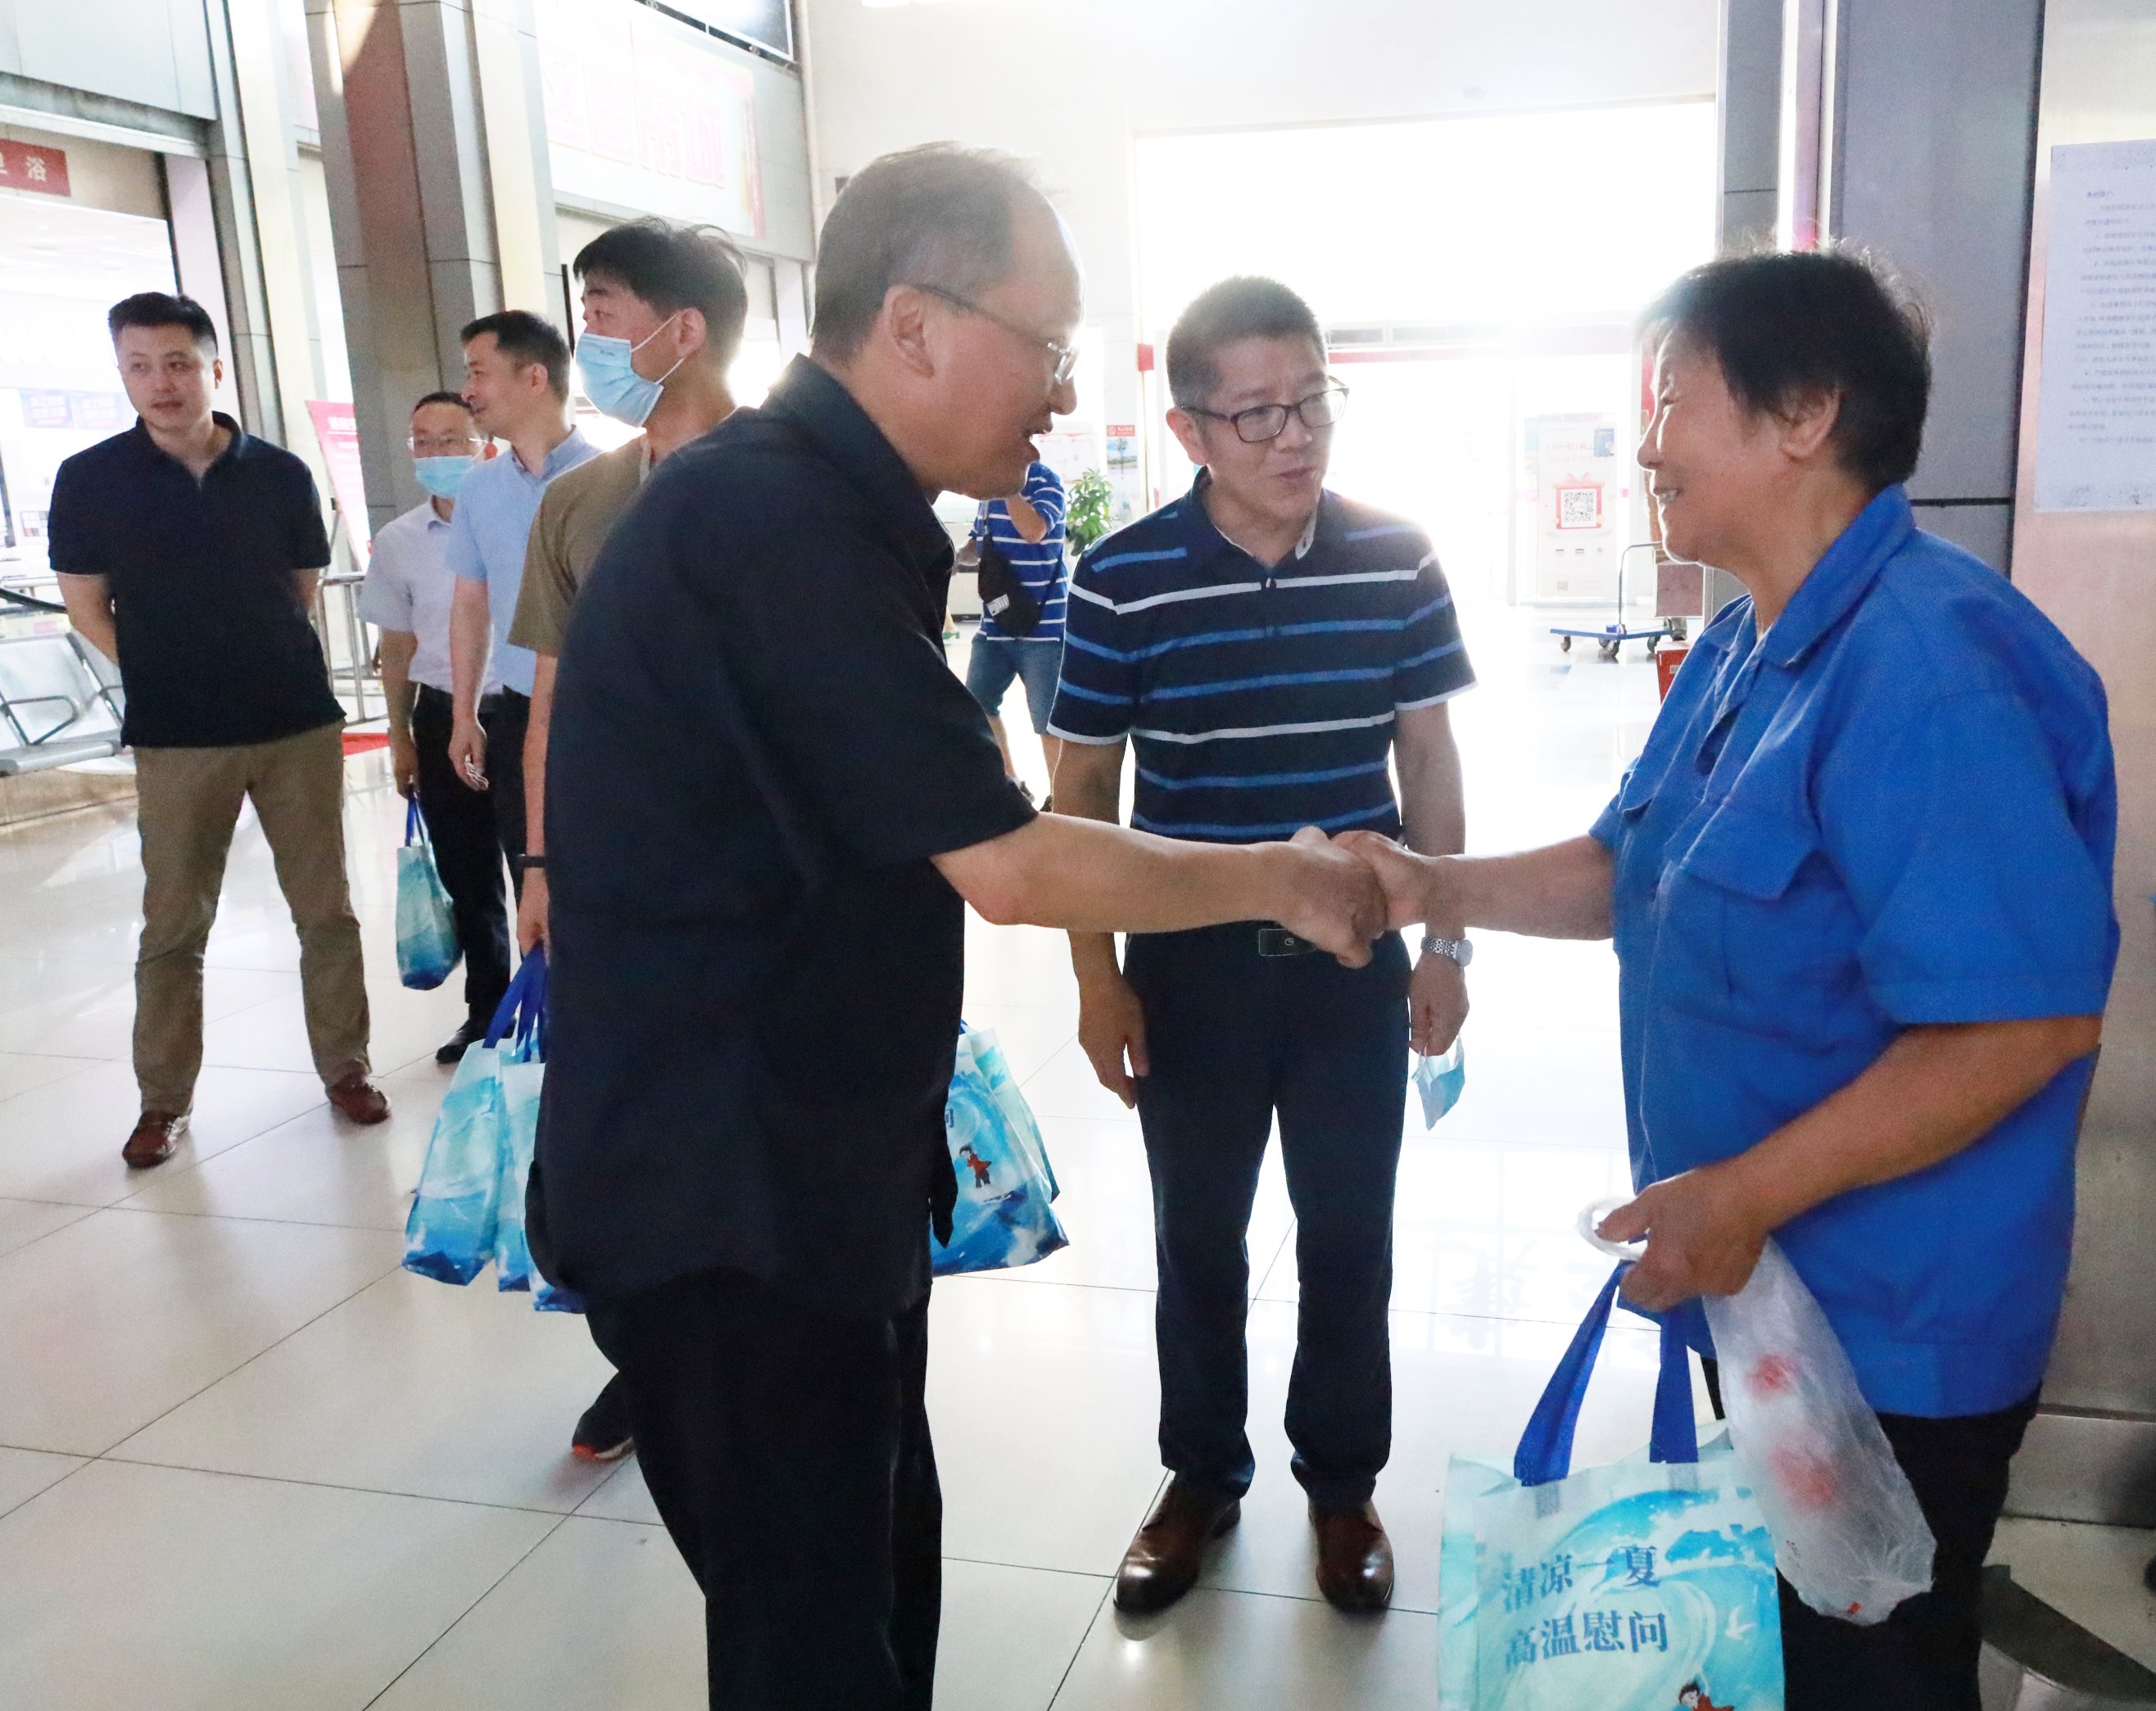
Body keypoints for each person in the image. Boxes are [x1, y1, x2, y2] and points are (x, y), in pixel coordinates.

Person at [526, 144, 1390, 1709]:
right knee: (813, 1641)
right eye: (1047, 344)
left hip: (810, 1177)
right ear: (916, 326)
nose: (1060, 394)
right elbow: (1005, 856)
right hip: (728, 1205)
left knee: (871, 1581)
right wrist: (1276, 872)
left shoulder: (832, 510)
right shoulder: (770, 523)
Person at [1339, 251, 2118, 1710]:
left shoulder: (1927, 669)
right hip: (1767, 1292)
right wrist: (1432, 887)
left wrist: (1745, 1192)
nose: (1644, 446)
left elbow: (2021, 1021)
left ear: (1806, 413)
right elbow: (1624, 866)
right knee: (1785, 1647)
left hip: (1892, 1324)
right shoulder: (1747, 644)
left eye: (1674, 400)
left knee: (1867, 1663)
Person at [1049, 275, 1474, 1618]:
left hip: (1355, 962)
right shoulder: (1120, 582)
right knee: (1201, 1239)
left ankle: (1341, 1482)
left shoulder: (1396, 555)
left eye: (1311, 402)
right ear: (1187, 430)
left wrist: (1448, 936)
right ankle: (1200, 1475)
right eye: (1256, 413)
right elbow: (1082, 796)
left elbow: (1430, 754)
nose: (1295, 437)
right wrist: (1097, 972)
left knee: (1352, 1232)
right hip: (1192, 969)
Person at [509, 217, 748, 1465]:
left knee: (743, 1142)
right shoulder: (582, 503)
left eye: (602, 311)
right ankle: (641, 1361)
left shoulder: (794, 482)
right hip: (613, 887)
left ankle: (739, 1361)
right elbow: (548, 706)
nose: (587, 335)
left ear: (681, 327)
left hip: (764, 895)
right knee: (612, 1145)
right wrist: (540, 867)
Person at [51, 292, 389, 1168]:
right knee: (173, 922)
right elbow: (85, 606)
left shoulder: (279, 474)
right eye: (138, 366)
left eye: (176, 363)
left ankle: (346, 1069)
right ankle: (163, 1102)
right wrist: (168, 665)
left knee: (326, 910)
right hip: (176, 733)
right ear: (121, 372)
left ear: (214, 367)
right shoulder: (90, 478)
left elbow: (300, 588)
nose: (159, 383)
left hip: (294, 724)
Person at [361, 392, 510, 1064]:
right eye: (424, 441)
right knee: (468, 874)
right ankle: (488, 1012)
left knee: (539, 863)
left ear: (484, 442)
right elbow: (395, 647)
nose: (437, 454)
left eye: (452, 439)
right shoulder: (397, 542)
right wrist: (399, 736)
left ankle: (561, 1005)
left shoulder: (518, 519)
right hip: (441, 709)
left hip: (516, 708)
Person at [446, 309, 596, 884]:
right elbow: (469, 603)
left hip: (595, 708)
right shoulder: (479, 487)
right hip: (516, 710)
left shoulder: (611, 476)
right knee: (531, 878)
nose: (467, 391)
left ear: (535, 378)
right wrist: (464, 713)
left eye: (479, 373)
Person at [962, 458, 1068, 797]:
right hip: (995, 627)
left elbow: (1033, 530)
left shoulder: (1045, 483)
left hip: (1044, 629)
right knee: (977, 703)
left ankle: (1062, 798)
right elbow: (978, 546)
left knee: (1046, 721)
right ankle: (1011, 784)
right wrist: (948, 557)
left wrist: (1009, 488)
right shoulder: (988, 494)